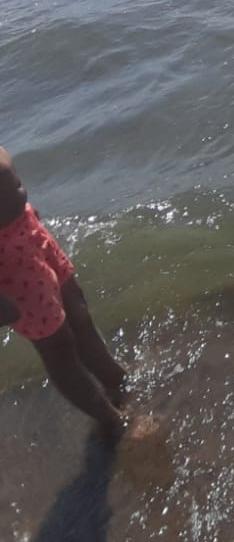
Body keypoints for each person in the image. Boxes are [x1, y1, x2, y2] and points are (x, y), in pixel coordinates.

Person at [0, 147, 128, 443]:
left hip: (29, 232)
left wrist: (27, 215)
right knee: (59, 349)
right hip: (11, 271)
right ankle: (110, 419)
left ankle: (114, 376)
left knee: (78, 310)